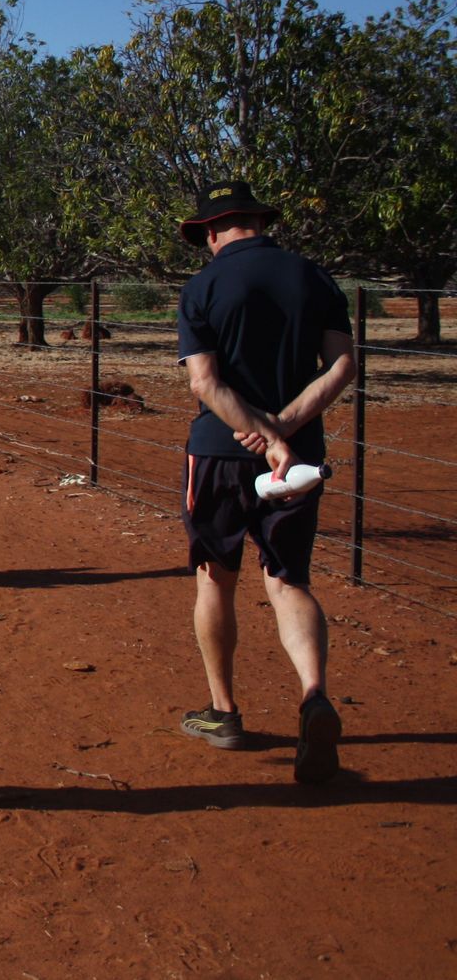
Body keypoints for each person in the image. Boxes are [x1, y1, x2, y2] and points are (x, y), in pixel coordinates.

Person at [174, 179, 355, 785]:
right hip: (299, 460)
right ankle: (313, 696)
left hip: (221, 453)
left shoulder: (202, 286)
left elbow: (205, 383)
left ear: (210, 231)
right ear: (259, 221)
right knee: (288, 579)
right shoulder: (315, 277)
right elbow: (341, 366)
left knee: (215, 578)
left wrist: (255, 431)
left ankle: (224, 713)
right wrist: (284, 430)